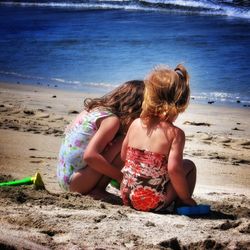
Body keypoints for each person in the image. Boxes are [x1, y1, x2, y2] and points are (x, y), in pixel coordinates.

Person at [120, 64, 197, 212]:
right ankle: (183, 203)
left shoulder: (135, 123)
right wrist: (186, 196)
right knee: (188, 166)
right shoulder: (175, 134)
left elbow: (124, 156)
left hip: (127, 196)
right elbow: (174, 170)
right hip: (152, 203)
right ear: (180, 103)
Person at [57, 80, 144, 197]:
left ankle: (97, 186)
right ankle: (98, 189)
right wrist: (119, 177)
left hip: (64, 177)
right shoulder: (111, 121)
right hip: (76, 183)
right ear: (132, 109)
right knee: (124, 141)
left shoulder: (94, 109)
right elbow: (90, 156)